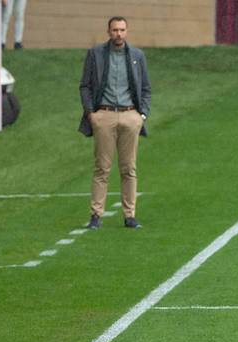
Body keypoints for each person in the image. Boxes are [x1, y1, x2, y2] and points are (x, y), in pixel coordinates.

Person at [79, 16, 151, 230]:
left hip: (130, 116)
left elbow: (146, 88)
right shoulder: (96, 54)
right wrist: (92, 113)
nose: (118, 34)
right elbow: (85, 86)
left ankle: (130, 216)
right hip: (104, 115)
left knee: (129, 168)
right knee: (102, 168)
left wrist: (142, 115)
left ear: (127, 31)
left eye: (122, 30)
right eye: (114, 30)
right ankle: (95, 215)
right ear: (108, 32)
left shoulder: (137, 55)